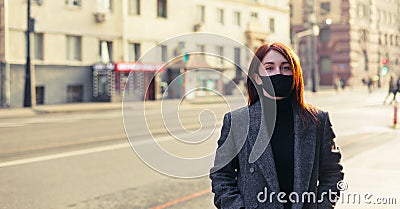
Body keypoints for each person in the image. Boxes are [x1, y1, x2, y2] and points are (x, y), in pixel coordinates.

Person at [210, 42, 344, 209]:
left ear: (295, 74)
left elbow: (332, 173)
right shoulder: (237, 121)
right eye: (269, 68)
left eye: (286, 68)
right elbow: (221, 175)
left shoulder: (317, 120)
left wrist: (321, 206)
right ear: (257, 77)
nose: (278, 73)